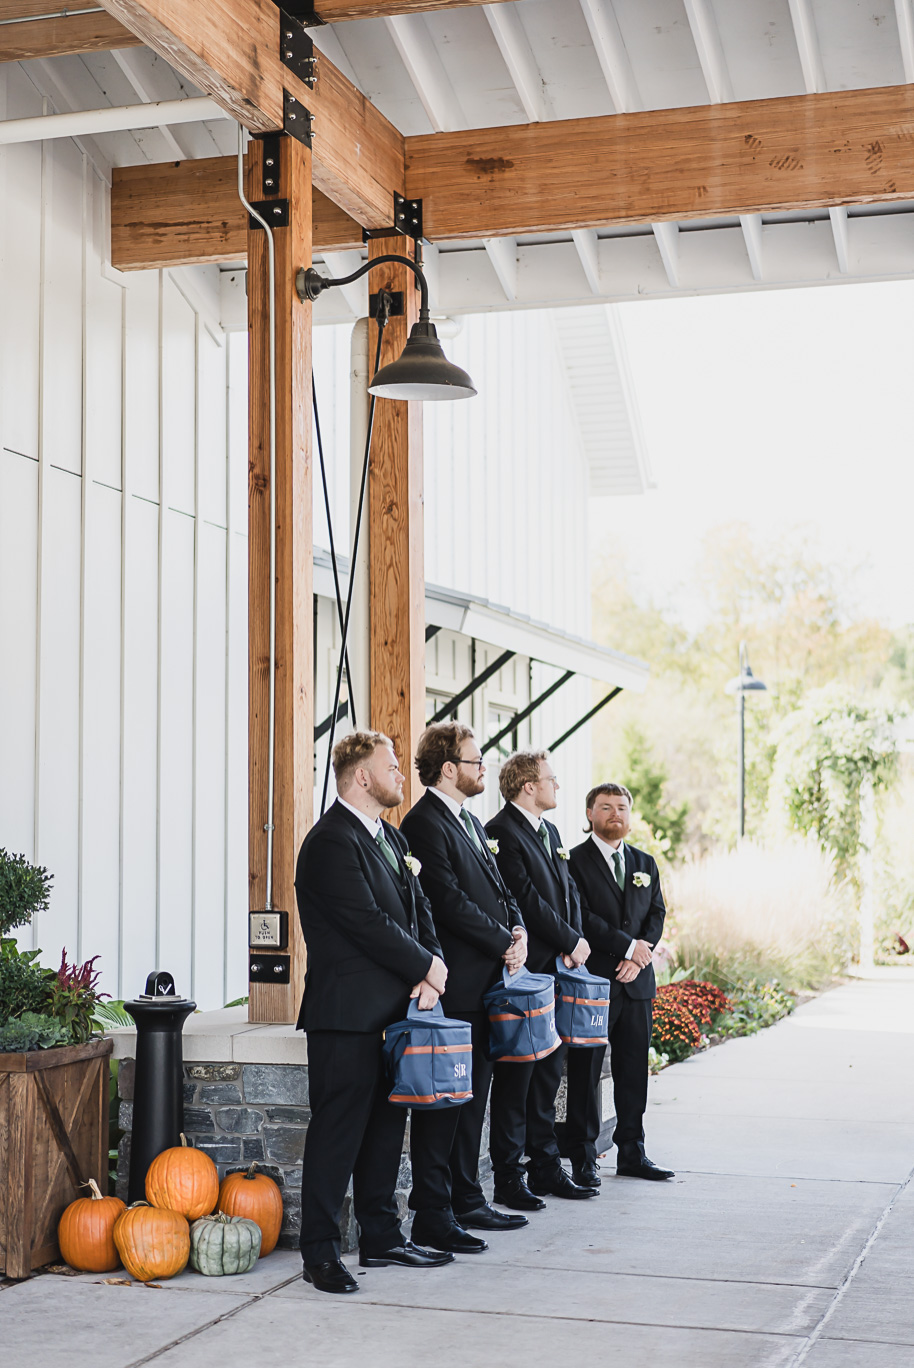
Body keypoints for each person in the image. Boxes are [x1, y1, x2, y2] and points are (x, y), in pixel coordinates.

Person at [294, 730, 455, 1293]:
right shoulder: (330, 842)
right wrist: (425, 968)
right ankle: (319, 1251)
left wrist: (432, 966)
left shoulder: (388, 836)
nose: (401, 775)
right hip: (346, 1015)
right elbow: (366, 922)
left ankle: (383, 1237)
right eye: (392, 767)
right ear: (361, 776)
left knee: (388, 1129)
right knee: (338, 1133)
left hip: (395, 1011)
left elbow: (420, 906)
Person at [400, 721, 531, 1254]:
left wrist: (518, 928)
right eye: (476, 761)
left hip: (486, 983)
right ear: (449, 768)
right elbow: (448, 901)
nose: (483, 769)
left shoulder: (471, 822)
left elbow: (500, 888)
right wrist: (504, 939)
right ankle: (433, 1210)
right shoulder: (424, 823)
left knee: (471, 1097)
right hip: (452, 986)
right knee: (444, 1102)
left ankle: (467, 1198)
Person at [485, 750, 600, 1200]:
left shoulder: (550, 831)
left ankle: (546, 1167)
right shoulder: (501, 832)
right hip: (525, 972)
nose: (557, 786)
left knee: (550, 1075)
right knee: (518, 1078)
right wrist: (569, 942)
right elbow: (526, 899)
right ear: (528, 785)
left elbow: (568, 892)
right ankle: (509, 1177)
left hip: (559, 967)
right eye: (551, 779)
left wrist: (576, 945)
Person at [568, 782, 674, 1182]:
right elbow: (583, 917)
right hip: (596, 983)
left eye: (622, 808)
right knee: (586, 1070)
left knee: (633, 1070)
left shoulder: (645, 862)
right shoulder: (573, 862)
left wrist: (640, 952)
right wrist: (628, 949)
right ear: (590, 815)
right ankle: (583, 1155)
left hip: (637, 984)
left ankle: (632, 1152)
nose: (616, 814)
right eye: (606, 807)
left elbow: (657, 915)